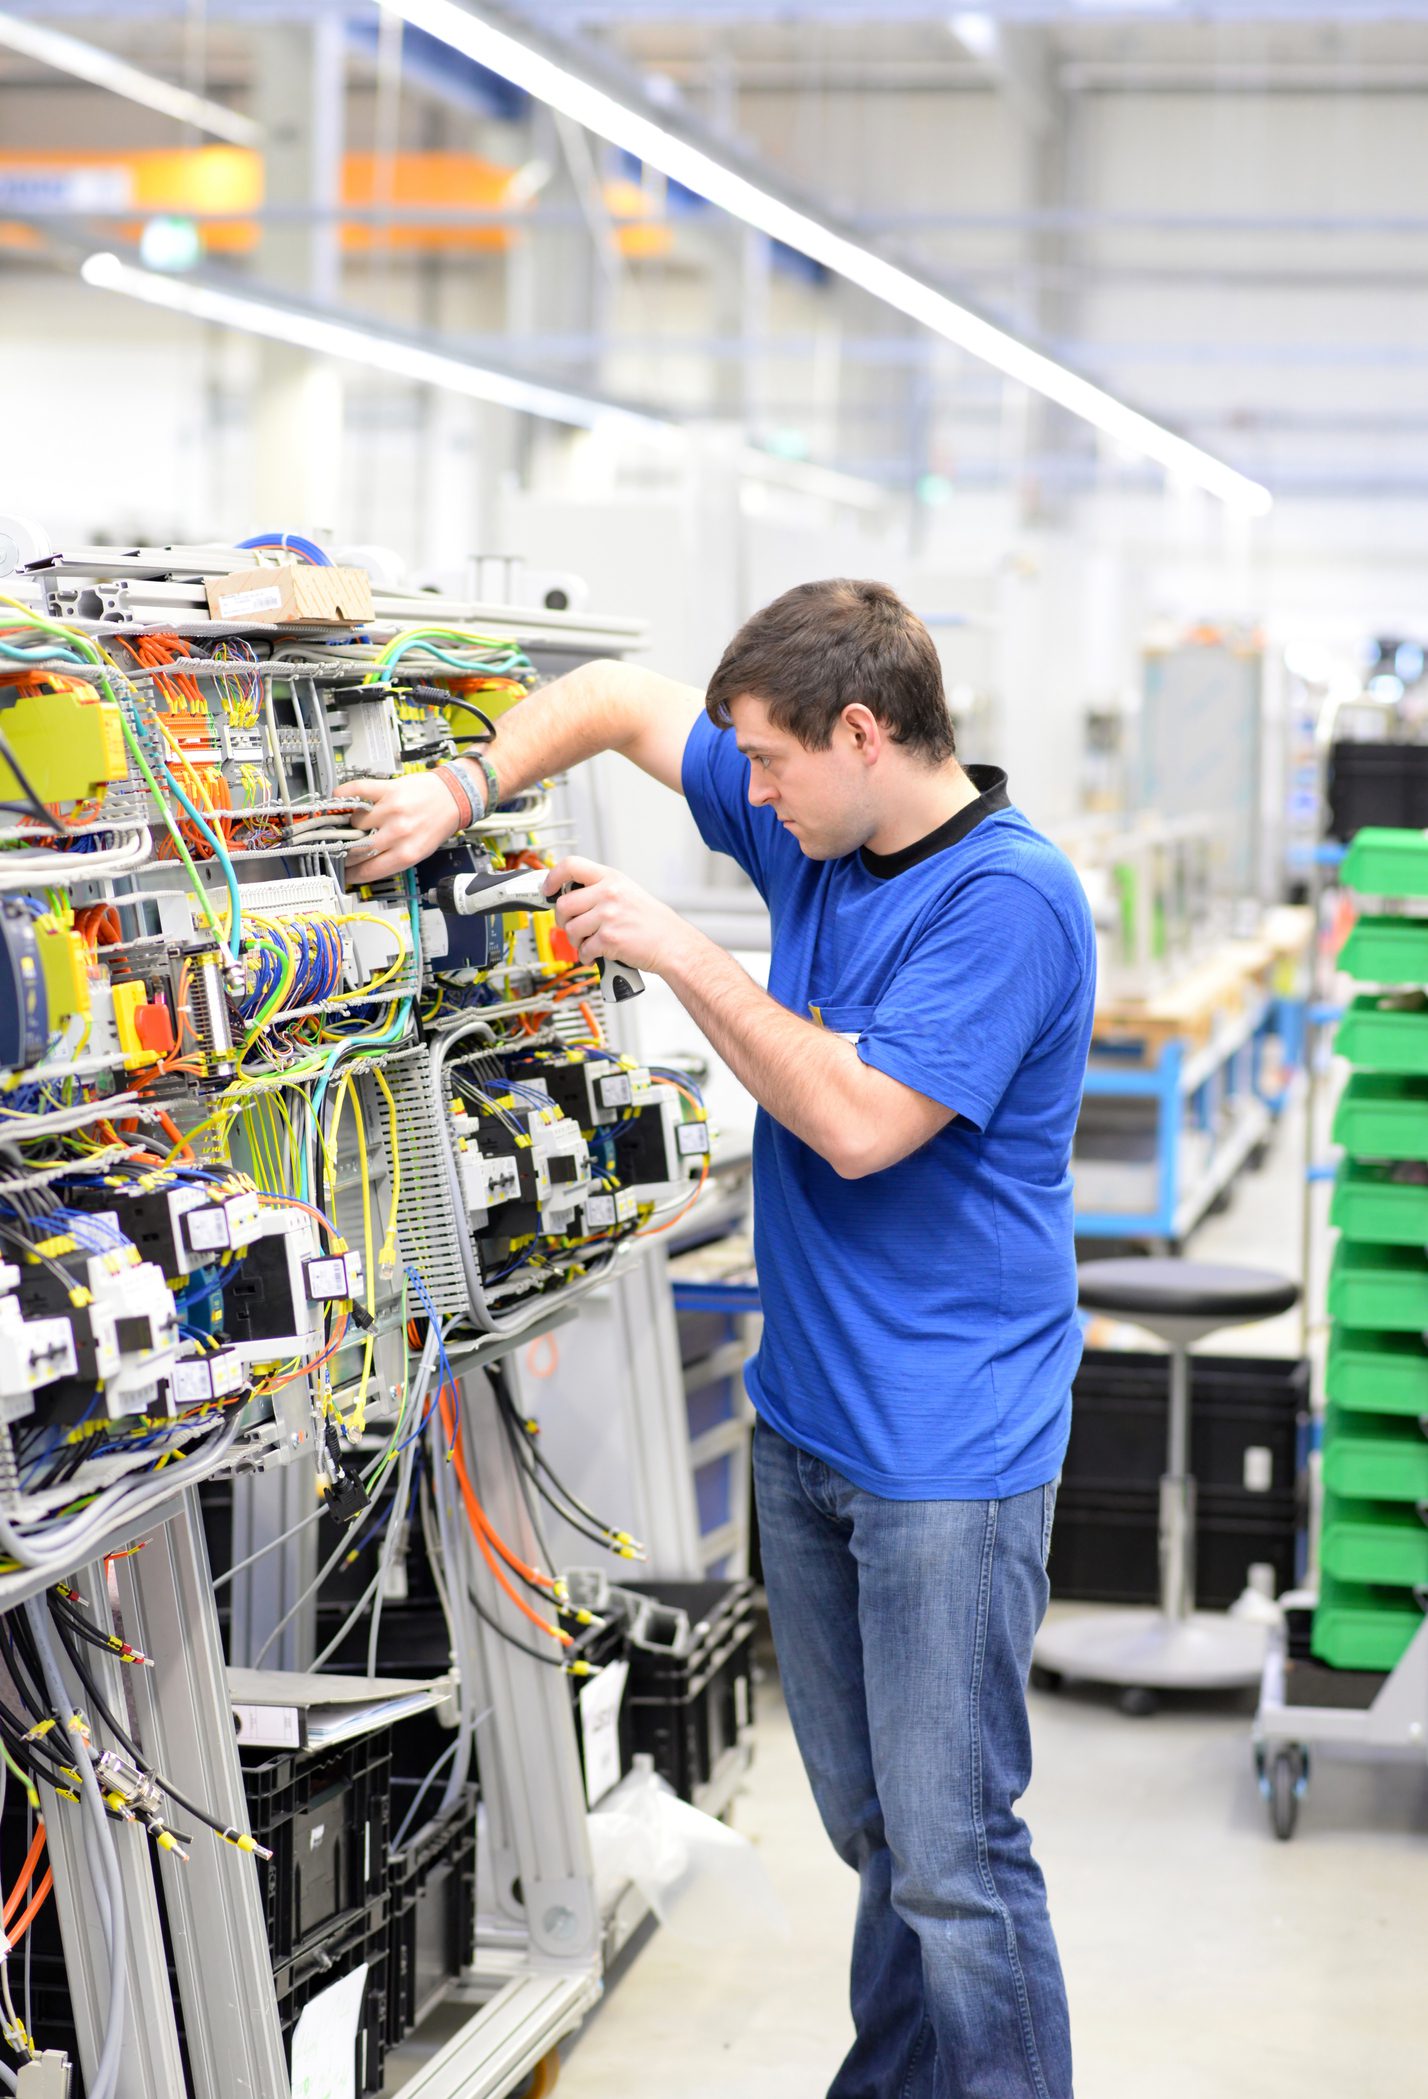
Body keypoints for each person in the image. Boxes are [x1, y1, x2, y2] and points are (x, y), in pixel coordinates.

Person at [339, 577, 1092, 2099]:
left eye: (768, 763)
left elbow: (861, 1122)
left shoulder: (1004, 900)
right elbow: (621, 689)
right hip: (813, 1424)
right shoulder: (821, 828)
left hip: (947, 1453)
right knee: (880, 1830)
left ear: (864, 733)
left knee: (957, 1858)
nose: (744, 791)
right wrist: (456, 785)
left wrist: (685, 957)